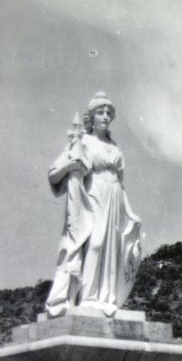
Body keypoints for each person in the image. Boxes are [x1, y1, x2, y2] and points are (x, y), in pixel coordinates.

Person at [45, 92, 142, 317]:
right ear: (92, 116)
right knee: (95, 244)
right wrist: (71, 167)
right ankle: (87, 297)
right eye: (101, 112)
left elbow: (120, 182)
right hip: (94, 195)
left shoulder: (115, 146)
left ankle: (105, 298)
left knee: (112, 249)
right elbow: (54, 174)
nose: (105, 116)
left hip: (114, 197)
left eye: (109, 112)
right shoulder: (83, 141)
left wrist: (130, 212)